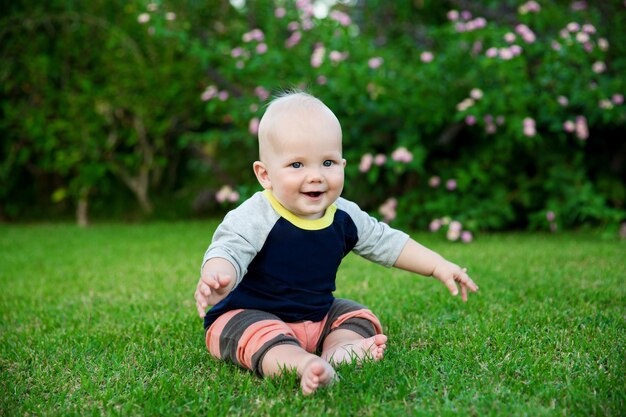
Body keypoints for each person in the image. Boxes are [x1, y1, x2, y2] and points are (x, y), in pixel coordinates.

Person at [194, 91, 479, 395]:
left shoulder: (344, 215)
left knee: (357, 316)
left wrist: (438, 265)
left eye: (327, 162)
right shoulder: (256, 215)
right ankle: (302, 364)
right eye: (297, 165)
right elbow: (228, 248)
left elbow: (387, 242)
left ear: (343, 164)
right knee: (260, 336)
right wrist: (218, 276)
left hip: (317, 314)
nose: (316, 176)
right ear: (265, 174)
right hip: (250, 313)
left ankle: (339, 351)